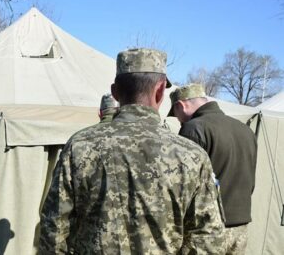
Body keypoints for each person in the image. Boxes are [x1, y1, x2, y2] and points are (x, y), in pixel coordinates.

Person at [38, 48, 224, 254]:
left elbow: (53, 227)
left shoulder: (80, 146)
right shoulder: (192, 156)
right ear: (161, 90)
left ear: (115, 92)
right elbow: (209, 239)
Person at [169, 83, 257, 254]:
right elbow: (251, 181)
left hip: (206, 231)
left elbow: (183, 186)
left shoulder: (193, 129)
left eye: (176, 114)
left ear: (181, 105)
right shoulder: (245, 130)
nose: (178, 119)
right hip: (241, 226)